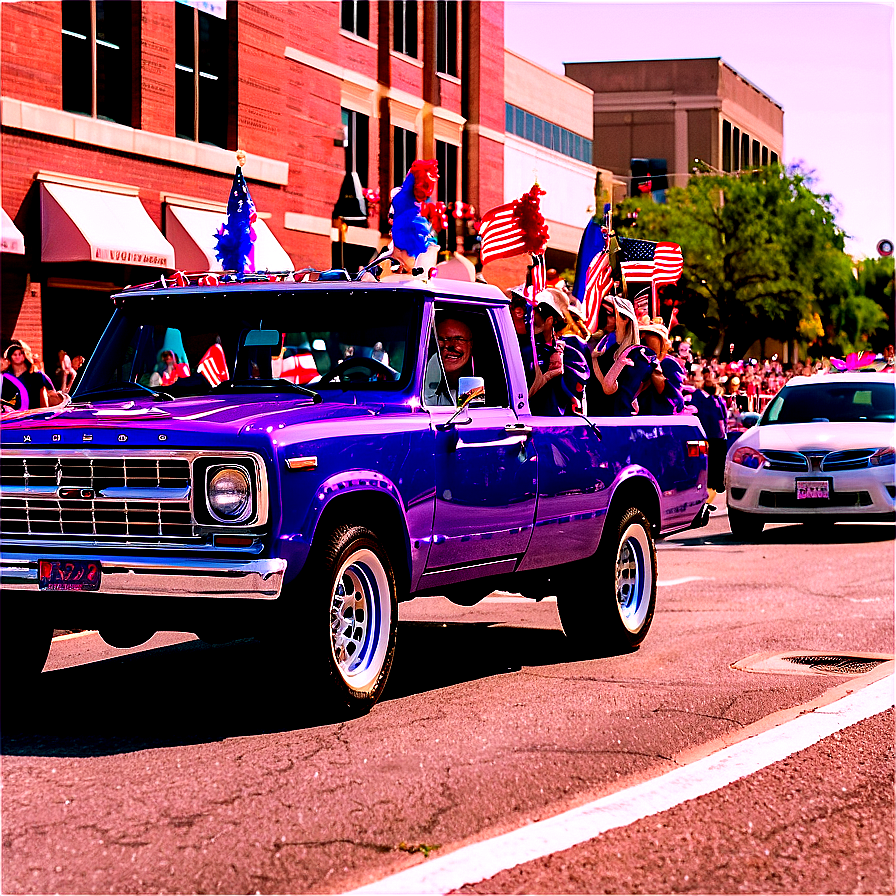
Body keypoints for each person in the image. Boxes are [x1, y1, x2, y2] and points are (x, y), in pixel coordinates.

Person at [589, 294, 656, 416]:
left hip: (616, 416)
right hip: (594, 410)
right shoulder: (598, 345)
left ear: (625, 319)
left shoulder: (638, 354)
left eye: (609, 314)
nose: (603, 318)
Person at [687, 366, 728, 510]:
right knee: (711, 467)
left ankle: (706, 498)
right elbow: (721, 420)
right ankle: (705, 500)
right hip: (712, 437)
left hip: (710, 437)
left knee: (711, 467)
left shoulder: (709, 399)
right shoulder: (709, 399)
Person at [637, 318, 685, 415]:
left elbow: (674, 398)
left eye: (649, 334)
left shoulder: (669, 363)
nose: (643, 337)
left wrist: (654, 366)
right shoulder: (636, 359)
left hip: (658, 420)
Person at [1, 341, 66, 410]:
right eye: (14, 354)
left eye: (20, 353)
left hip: (36, 416)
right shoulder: (6, 378)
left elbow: (52, 395)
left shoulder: (38, 376)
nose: (18, 356)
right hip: (16, 416)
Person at [423, 317, 474, 406]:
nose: (449, 345)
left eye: (459, 339)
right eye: (441, 339)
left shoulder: (491, 390)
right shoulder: (416, 390)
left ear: (471, 345)